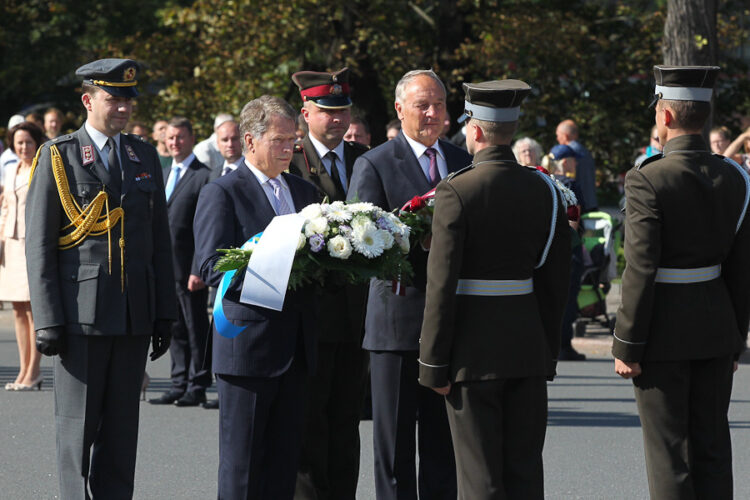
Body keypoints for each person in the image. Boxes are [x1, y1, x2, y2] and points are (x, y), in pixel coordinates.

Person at [26, 58, 176, 498]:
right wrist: (47, 319)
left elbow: (158, 243)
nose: (125, 108)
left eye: (130, 100)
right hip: (81, 317)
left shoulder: (143, 154)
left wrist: (163, 311)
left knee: (121, 432)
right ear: (88, 99)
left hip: (133, 314)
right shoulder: (60, 155)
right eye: (115, 99)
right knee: (77, 432)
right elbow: (39, 244)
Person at [418, 79, 571, 500]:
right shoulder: (544, 188)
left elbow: (442, 282)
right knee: (524, 475)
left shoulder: (457, 189)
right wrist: (547, 349)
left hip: (471, 354)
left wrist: (433, 362)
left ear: (477, 130)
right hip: (525, 347)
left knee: (480, 479)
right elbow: (556, 280)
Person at [613, 65, 750, 499]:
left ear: (666, 117)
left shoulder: (648, 178)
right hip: (715, 327)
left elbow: (640, 267)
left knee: (669, 457)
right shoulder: (735, 177)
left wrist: (627, 344)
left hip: (662, 333)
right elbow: (742, 268)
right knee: (711, 450)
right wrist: (735, 341)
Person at [348, 69, 472, 500]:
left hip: (450, 324)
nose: (433, 113)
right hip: (396, 324)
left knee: (443, 446)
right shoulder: (374, 163)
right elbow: (359, 242)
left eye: (439, 104)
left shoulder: (462, 161)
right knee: (395, 445)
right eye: (423, 104)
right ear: (400, 109)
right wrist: (415, 237)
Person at [193, 95, 320, 499]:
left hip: (297, 347)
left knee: (284, 465)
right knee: (243, 466)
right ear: (250, 140)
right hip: (248, 349)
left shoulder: (305, 192)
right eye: (279, 141)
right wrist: (272, 265)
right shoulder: (223, 192)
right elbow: (211, 265)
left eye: (292, 141)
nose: (288, 149)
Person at [288, 67, 369, 500]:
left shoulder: (363, 159)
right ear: (306, 112)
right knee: (308, 424)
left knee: (346, 423)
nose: (336, 119)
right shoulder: (291, 160)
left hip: (355, 318)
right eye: (326, 110)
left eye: (342, 110)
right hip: (309, 316)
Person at [149, 117, 212, 407]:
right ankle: (178, 382)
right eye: (170, 138)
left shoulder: (204, 176)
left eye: (181, 137)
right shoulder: (162, 173)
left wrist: (198, 267)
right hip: (165, 267)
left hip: (189, 268)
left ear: (191, 138)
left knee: (194, 327)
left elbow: (205, 226)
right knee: (172, 327)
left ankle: (197, 382)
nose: (175, 143)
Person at [1, 122, 44, 391]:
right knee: (17, 308)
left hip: (33, 243)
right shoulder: (9, 169)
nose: (24, 147)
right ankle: (22, 368)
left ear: (37, 143)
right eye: (19, 142)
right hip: (11, 244)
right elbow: (4, 207)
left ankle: (34, 370)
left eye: (28, 142)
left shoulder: (41, 169)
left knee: (33, 310)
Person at [548, 144, 586, 362]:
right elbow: (576, 219)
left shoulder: (543, 180)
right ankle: (564, 344)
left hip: (547, 249)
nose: (576, 163)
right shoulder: (571, 185)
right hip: (569, 250)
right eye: (573, 159)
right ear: (564, 162)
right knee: (569, 298)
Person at [556, 118, 597, 212]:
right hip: (591, 202)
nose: (557, 138)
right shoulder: (585, 151)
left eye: (558, 135)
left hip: (577, 205)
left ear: (565, 136)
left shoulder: (566, 153)